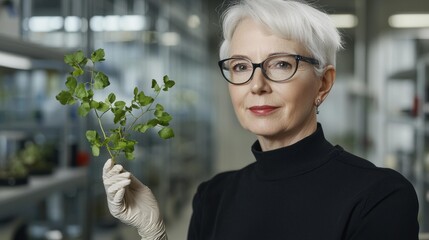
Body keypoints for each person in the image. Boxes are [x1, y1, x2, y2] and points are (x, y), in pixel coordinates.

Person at [102, 0, 420, 239]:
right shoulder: (213, 196)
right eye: (241, 66)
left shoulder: (379, 197)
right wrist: (153, 231)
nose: (257, 85)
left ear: (323, 83)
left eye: (280, 64)